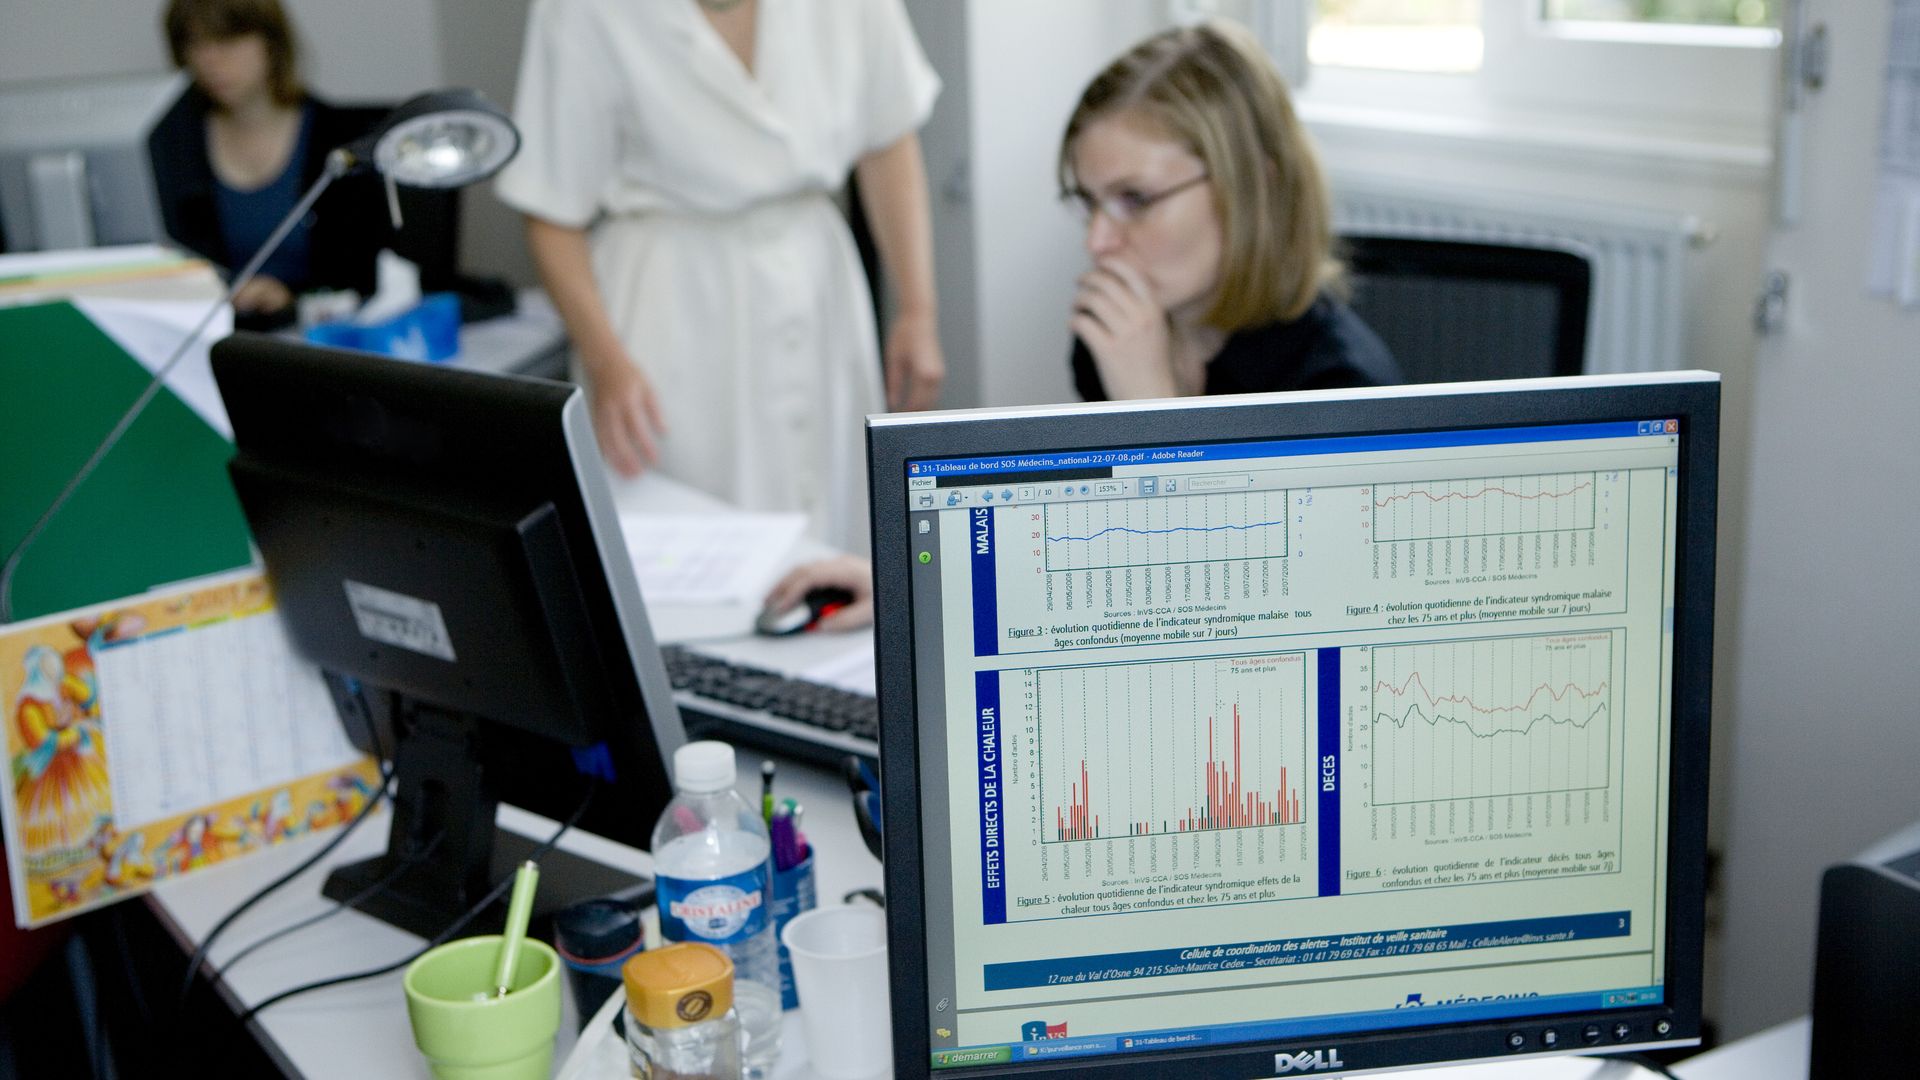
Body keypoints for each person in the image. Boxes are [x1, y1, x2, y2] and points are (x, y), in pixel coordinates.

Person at [497, 0, 945, 554]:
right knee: (686, 545)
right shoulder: (579, 12)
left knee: (835, 531)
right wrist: (607, 362)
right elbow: (551, 213)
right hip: (667, 304)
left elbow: (888, 138)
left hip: (818, 284)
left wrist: (918, 310)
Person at [1060, 19, 1400, 401]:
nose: (1097, 241)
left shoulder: (1342, 390)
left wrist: (1150, 404)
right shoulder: (1116, 335)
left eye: (1135, 199)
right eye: (1089, 201)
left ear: (1254, 189)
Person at [147, 0, 455, 327]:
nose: (209, 59)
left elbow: (376, 278)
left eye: (227, 39)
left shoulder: (341, 140)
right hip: (217, 335)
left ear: (271, 42)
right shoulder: (171, 143)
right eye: (194, 43)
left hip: (321, 337)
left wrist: (293, 302)